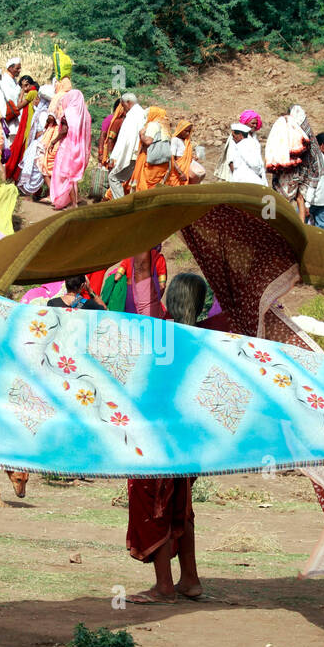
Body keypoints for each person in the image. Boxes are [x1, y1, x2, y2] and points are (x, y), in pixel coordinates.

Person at [124, 272, 209, 603]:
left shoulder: (160, 334)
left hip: (157, 439)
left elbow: (142, 276)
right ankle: (190, 580)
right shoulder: (206, 338)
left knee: (155, 507)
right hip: (190, 440)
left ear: (171, 300)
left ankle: (163, 586)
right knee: (180, 508)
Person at [266, 105, 322, 221]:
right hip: (301, 171)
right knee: (300, 198)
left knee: (283, 199)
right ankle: (301, 225)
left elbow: (278, 150)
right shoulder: (305, 130)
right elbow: (313, 155)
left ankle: (284, 224)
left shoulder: (284, 126)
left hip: (286, 170)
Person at [47, 88, 92, 209]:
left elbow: (65, 130)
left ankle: (71, 203)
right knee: (72, 175)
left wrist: (53, 141)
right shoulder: (85, 114)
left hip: (67, 146)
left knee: (64, 174)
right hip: (80, 148)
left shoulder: (68, 113)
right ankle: (71, 201)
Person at [101, 244, 167, 315]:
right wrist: (156, 298)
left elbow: (117, 277)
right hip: (150, 297)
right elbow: (162, 285)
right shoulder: (160, 259)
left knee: (131, 320)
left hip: (130, 295)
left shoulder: (131, 256)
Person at [106, 94, 146, 200]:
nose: (124, 109)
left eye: (123, 106)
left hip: (132, 155)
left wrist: (114, 157)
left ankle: (120, 204)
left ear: (128, 103)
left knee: (113, 178)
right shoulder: (143, 113)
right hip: (140, 154)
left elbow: (126, 140)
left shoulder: (131, 117)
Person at [129, 106, 175, 191]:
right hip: (163, 162)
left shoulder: (153, 125)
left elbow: (148, 141)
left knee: (147, 185)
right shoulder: (165, 127)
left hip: (152, 162)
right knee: (157, 186)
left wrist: (141, 134)